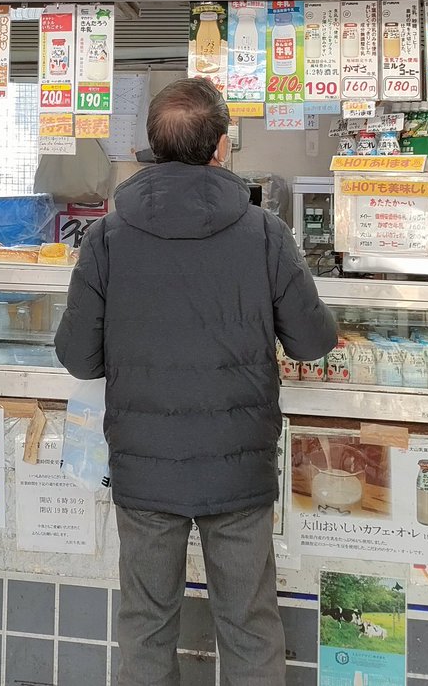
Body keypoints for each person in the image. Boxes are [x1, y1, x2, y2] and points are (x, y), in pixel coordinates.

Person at [55, 76, 337, 686]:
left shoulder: (107, 236)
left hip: (144, 466)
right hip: (238, 468)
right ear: (221, 145)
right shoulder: (265, 232)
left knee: (146, 624)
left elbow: (78, 357)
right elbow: (313, 342)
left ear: (152, 146)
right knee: (249, 625)